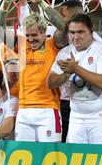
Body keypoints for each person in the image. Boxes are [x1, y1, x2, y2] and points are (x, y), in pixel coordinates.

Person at [49, 14, 102, 144]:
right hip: (75, 117)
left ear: (91, 32)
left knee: (100, 160)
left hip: (99, 117)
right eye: (72, 32)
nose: (76, 37)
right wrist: (66, 74)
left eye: (80, 32)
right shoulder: (65, 52)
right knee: (75, 160)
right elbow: (50, 83)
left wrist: (76, 69)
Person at [15, 11, 68, 143]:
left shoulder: (52, 45)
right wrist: (5, 5)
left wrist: (42, 4)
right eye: (27, 35)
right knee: (23, 155)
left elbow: (64, 27)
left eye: (34, 35)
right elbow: (1, 28)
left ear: (44, 32)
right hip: (23, 110)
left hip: (48, 110)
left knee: (49, 156)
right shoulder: (22, 47)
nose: (30, 39)